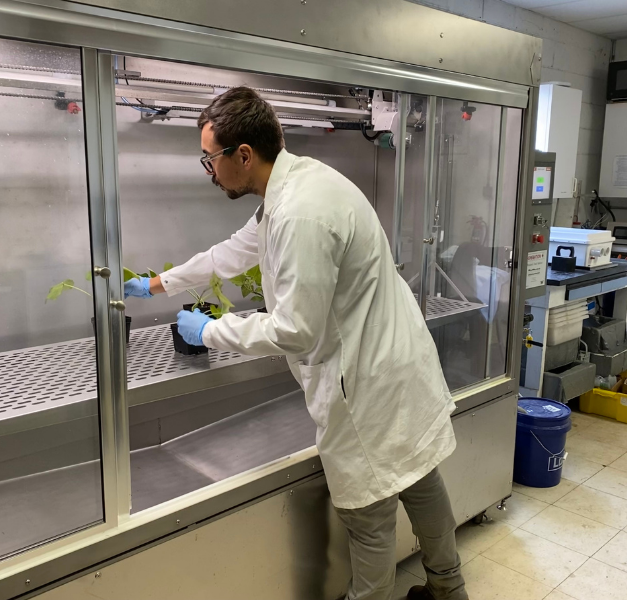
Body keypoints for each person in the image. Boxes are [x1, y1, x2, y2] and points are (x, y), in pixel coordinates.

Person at [124, 86, 468, 600]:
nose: (209, 171)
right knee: (420, 477)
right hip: (395, 366)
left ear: (244, 154)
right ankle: (449, 589)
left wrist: (211, 331)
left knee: (368, 517)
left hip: (365, 385)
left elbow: (294, 330)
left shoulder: (299, 214)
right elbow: (234, 252)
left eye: (209, 159)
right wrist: (159, 283)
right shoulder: (298, 186)